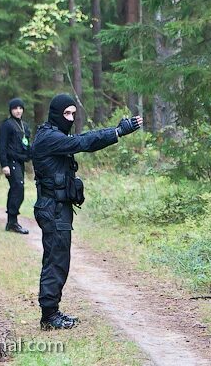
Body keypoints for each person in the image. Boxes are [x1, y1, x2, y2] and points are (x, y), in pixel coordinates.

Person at [31, 93, 142, 330]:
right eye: (67, 114)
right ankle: (49, 316)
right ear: (56, 114)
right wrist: (117, 132)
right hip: (53, 208)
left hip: (57, 207)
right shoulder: (49, 138)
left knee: (58, 259)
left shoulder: (52, 134)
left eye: (73, 113)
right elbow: (83, 142)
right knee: (56, 261)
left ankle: (52, 311)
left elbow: (80, 140)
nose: (70, 118)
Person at [0, 97, 31, 234]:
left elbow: (26, 144)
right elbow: (1, 145)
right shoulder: (7, 125)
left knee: (17, 189)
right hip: (11, 161)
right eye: (15, 108)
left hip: (20, 161)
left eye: (20, 108)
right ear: (11, 110)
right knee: (18, 188)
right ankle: (12, 222)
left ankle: (11, 222)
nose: (18, 111)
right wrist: (4, 164)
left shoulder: (25, 125)